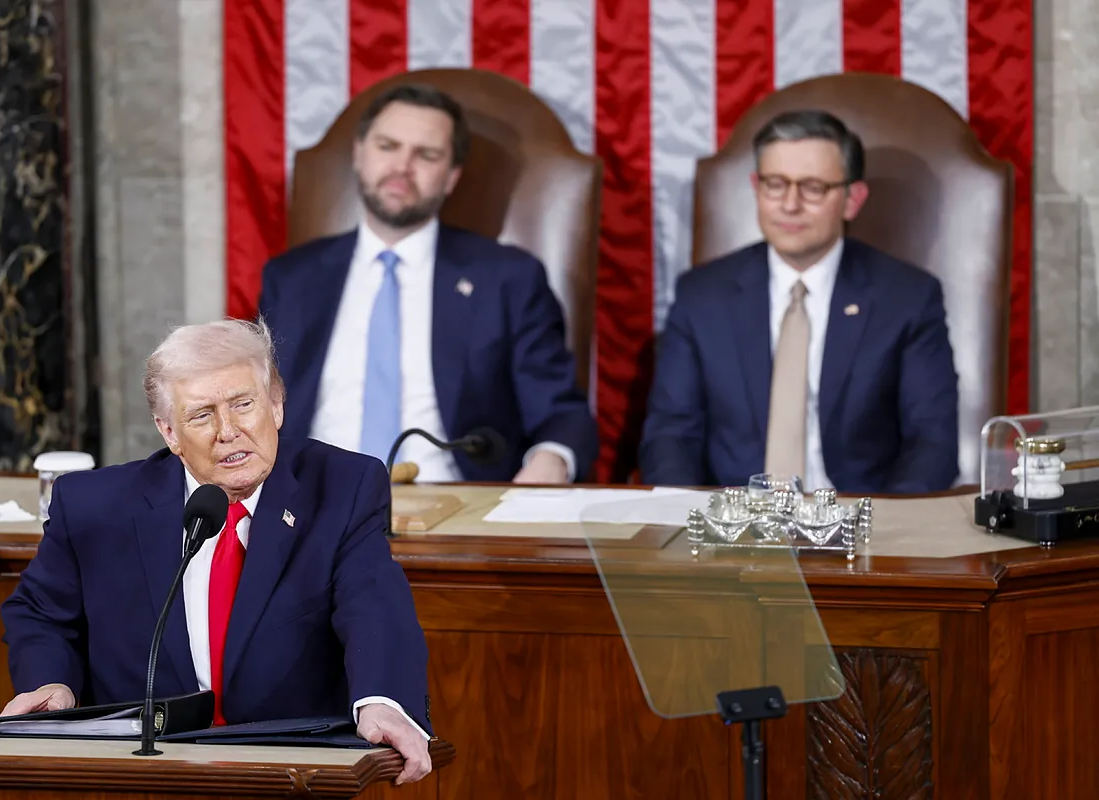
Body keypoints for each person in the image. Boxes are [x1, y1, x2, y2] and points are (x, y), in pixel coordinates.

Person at [0, 319, 432, 785]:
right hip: (145, 772)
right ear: (169, 432)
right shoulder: (94, 508)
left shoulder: (344, 488)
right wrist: (51, 683)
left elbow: (374, 604)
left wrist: (383, 701)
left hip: (292, 769)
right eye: (201, 415)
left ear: (277, 404)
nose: (228, 432)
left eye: (244, 405)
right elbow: (40, 612)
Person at [258, 83, 597, 485]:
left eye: (426, 155)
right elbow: (256, 405)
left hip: (456, 512)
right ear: (359, 154)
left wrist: (550, 461)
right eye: (388, 146)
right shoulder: (293, 277)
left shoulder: (507, 279)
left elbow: (560, 413)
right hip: (311, 504)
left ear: (451, 177)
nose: (402, 166)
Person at [640, 109, 959, 494]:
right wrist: (689, 522)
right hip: (734, 530)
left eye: (812, 187)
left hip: (860, 526)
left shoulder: (907, 298)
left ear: (852, 199)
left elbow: (932, 441)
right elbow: (670, 435)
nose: (790, 205)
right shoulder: (702, 295)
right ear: (756, 187)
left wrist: (886, 532)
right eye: (775, 184)